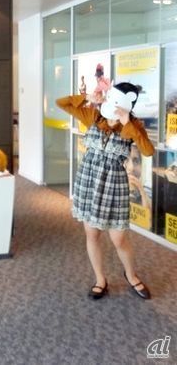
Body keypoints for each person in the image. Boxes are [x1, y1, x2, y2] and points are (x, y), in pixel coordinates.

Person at [57, 82, 154, 300]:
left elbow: (148, 151)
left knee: (119, 238)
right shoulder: (94, 116)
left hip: (114, 185)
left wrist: (127, 122)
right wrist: (87, 97)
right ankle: (100, 280)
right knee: (92, 234)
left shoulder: (132, 125)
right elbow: (61, 103)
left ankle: (131, 275)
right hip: (89, 181)